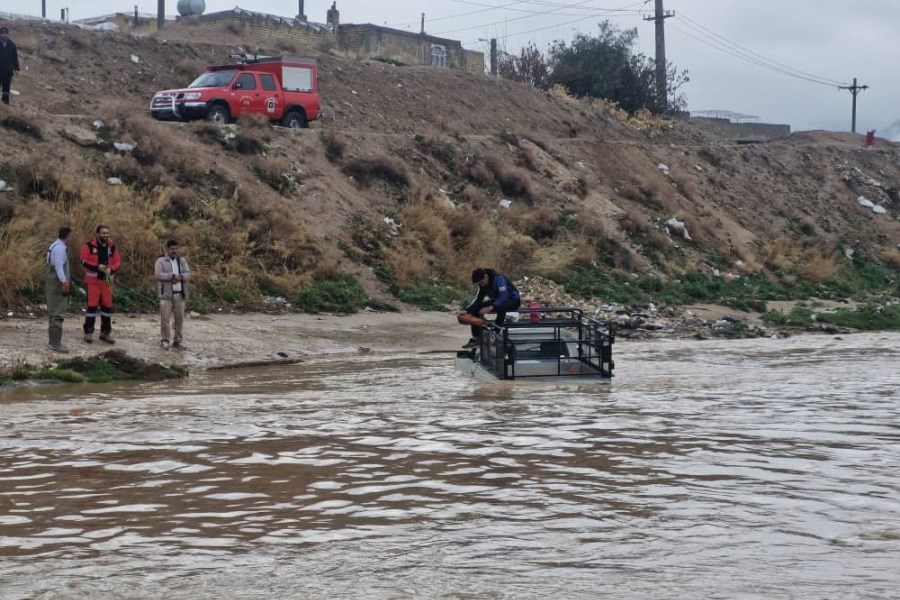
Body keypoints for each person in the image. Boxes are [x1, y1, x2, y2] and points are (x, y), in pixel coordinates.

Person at [80, 224, 120, 344]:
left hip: (107, 279)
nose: (106, 235)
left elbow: (118, 262)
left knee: (107, 307)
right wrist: (97, 267)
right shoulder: (88, 246)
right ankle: (88, 332)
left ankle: (105, 333)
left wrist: (111, 270)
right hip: (93, 281)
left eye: (107, 233)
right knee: (92, 307)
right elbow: (83, 261)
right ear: (98, 234)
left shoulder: (112, 247)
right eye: (103, 233)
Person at [463, 267, 521, 348]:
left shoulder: (499, 279)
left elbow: (503, 297)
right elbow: (479, 299)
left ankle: (496, 331)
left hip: (512, 301)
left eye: (482, 282)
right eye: (479, 283)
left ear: (486, 277)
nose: (481, 285)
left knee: (501, 307)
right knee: (473, 310)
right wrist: (468, 311)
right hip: (497, 301)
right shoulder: (482, 285)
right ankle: (476, 338)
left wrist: (490, 307)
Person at [155, 239, 191, 350]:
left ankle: (178, 341)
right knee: (165, 319)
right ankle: (165, 341)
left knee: (179, 319)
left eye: (176, 249)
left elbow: (188, 274)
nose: (174, 251)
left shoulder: (182, 261)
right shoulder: (160, 261)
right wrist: (172, 276)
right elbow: (158, 275)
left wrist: (181, 277)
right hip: (166, 295)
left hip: (179, 294)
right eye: (172, 249)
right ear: (166, 248)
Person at [45, 227, 72, 353]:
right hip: (57, 285)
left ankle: (52, 341)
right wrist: (64, 282)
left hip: (52, 283)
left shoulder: (54, 245)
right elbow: (59, 266)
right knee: (57, 313)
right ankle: (55, 343)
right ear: (67, 236)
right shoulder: (60, 248)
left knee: (53, 311)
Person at [0, 27, 20, 105]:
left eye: (5, 34)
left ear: (7, 34)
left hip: (8, 71)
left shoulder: (12, 45)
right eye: (2, 33)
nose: (4, 35)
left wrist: (16, 68)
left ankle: (5, 104)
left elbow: (14, 57)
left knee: (6, 88)